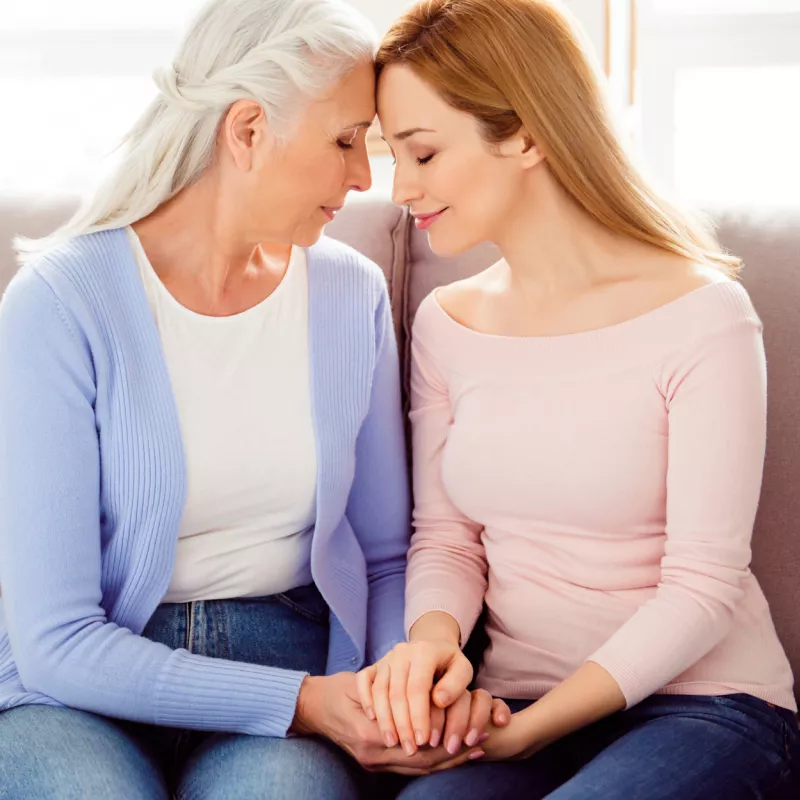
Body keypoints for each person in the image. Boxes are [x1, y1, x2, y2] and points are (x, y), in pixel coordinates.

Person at [0, 1, 503, 798]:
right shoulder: (59, 304)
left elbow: (380, 559)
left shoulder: (350, 296)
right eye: (345, 140)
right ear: (247, 131)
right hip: (78, 696)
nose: (364, 178)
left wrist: (386, 694)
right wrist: (309, 706)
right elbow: (58, 638)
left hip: (289, 657)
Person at [358, 0, 800, 797]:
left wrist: (529, 732)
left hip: (703, 708)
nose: (402, 188)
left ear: (525, 133)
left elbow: (702, 586)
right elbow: (448, 539)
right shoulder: (447, 325)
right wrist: (431, 645)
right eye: (394, 156)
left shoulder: (702, 316)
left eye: (422, 154)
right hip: (512, 704)